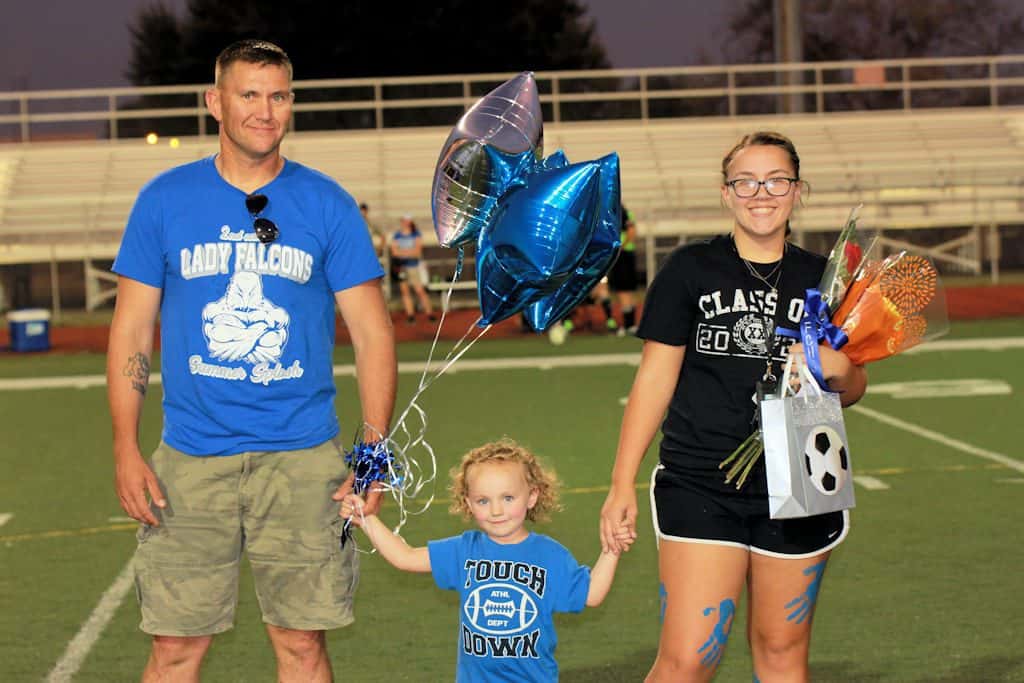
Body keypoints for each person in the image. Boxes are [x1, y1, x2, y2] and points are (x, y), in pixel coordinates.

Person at [106, 39, 397, 683]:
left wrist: (374, 449)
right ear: (215, 102)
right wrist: (126, 446)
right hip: (189, 459)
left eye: (278, 96)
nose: (265, 111)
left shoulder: (326, 203)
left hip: (302, 459)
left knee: (301, 645)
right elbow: (132, 330)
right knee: (175, 647)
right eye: (249, 95)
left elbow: (372, 333)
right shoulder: (164, 199)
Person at [599, 131, 867, 682]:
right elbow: (654, 379)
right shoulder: (689, 269)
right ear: (726, 193)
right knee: (688, 658)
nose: (761, 193)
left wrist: (836, 365)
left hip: (804, 480)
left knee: (781, 652)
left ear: (798, 190)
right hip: (701, 479)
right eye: (745, 181)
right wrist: (621, 482)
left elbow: (854, 386)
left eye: (776, 180)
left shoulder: (826, 280)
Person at [341, 438, 629, 682]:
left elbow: (591, 594)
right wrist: (366, 518)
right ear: (468, 503)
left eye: (508, 498)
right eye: (483, 501)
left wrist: (612, 549)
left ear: (532, 496)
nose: (496, 511)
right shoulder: (465, 549)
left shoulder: (549, 554)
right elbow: (404, 557)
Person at [389, 215, 436, 324]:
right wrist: (409, 252)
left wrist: (402, 253)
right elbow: (394, 252)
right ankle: (410, 315)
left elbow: (417, 253)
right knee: (405, 292)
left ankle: (429, 313)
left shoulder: (416, 234)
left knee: (420, 290)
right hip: (401, 267)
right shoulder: (397, 235)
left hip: (413, 267)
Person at [608, 205, 640, 336]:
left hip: (623, 256)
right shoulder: (623, 210)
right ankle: (631, 324)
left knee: (624, 290)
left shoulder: (619, 210)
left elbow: (631, 231)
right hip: (627, 255)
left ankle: (629, 324)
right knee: (627, 290)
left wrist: (620, 247)